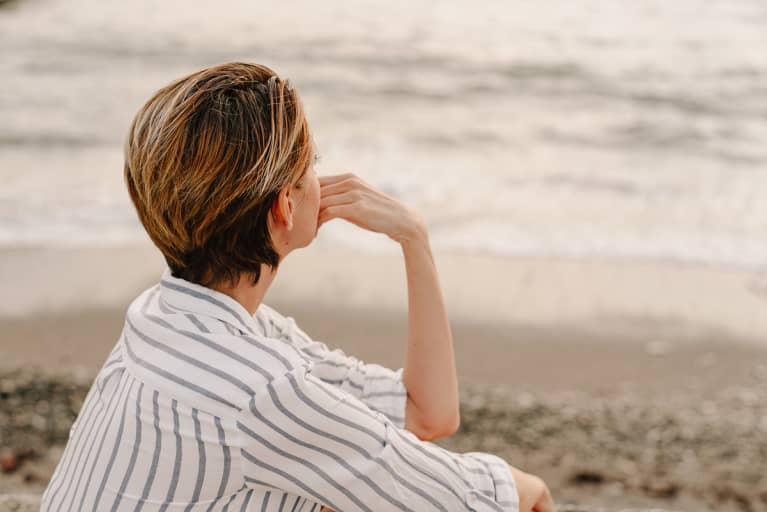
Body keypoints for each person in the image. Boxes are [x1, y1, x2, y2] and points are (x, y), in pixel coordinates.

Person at [40, 62, 555, 511]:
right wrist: (525, 486)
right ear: (285, 206)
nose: (319, 176)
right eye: (312, 163)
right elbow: (458, 497)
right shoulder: (263, 388)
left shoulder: (165, 315)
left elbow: (428, 413)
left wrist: (412, 239)